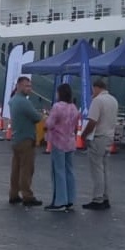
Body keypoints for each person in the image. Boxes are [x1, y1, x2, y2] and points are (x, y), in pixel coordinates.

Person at [80, 77, 118, 210]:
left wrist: (84, 135)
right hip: (109, 136)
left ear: (96, 88)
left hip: (98, 137)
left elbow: (92, 121)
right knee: (105, 168)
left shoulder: (97, 101)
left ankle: (98, 198)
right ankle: (106, 197)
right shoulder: (113, 100)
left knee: (96, 169)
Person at [7, 76, 42, 207]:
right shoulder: (24, 102)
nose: (30, 89)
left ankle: (13, 194)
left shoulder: (13, 100)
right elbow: (36, 117)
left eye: (30, 86)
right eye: (27, 86)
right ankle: (27, 195)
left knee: (16, 169)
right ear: (19, 86)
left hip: (16, 138)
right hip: (26, 139)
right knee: (26, 169)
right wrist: (42, 115)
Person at [44, 83, 79, 211]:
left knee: (58, 171)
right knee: (69, 170)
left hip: (58, 141)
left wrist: (46, 119)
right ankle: (70, 199)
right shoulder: (74, 107)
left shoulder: (57, 107)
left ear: (60, 93)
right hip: (70, 141)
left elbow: (49, 124)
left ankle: (60, 201)